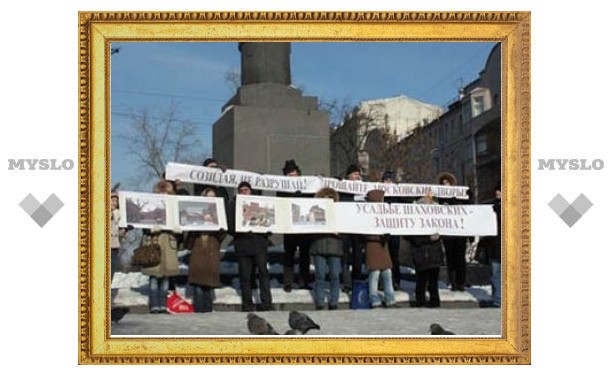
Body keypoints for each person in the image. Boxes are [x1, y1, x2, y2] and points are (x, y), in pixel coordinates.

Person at [228, 181, 274, 312]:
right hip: (243, 246)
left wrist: (265, 228)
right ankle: (247, 304)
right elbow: (229, 226)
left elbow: (270, 224)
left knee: (264, 275)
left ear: (251, 191)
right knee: (245, 277)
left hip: (259, 245)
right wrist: (240, 230)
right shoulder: (233, 206)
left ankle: (267, 303)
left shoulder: (260, 204)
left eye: (246, 189)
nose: (244, 192)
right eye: (241, 190)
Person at [141, 179, 183, 314]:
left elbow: (182, 224)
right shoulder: (149, 206)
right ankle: (154, 305)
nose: (164, 194)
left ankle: (163, 305)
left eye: (167, 192)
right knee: (153, 276)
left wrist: (179, 230)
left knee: (166, 276)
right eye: (162, 192)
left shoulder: (175, 207)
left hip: (169, 243)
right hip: (154, 242)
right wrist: (150, 229)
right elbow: (142, 223)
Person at [184, 188, 226, 313]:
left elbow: (221, 236)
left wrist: (220, 227)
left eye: (213, 196)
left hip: (211, 254)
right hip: (198, 255)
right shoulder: (197, 215)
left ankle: (208, 308)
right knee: (198, 284)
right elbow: (189, 243)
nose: (210, 199)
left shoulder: (218, 214)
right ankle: (199, 308)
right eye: (208, 196)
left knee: (209, 284)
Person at [277, 159, 312, 292]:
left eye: (293, 172)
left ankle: (304, 281)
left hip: (304, 227)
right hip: (290, 227)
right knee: (289, 255)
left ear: (298, 173)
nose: (291, 175)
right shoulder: (282, 188)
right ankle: (288, 282)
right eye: (289, 173)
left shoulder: (306, 186)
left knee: (304, 256)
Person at [405, 193, 445, 308]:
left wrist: (439, 236)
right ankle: (420, 302)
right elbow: (410, 236)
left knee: (433, 281)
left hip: (434, 253)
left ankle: (435, 302)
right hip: (420, 253)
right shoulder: (412, 216)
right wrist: (428, 238)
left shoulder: (437, 214)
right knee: (421, 281)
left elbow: (447, 227)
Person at [309, 187, 343, 310]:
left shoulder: (339, 211)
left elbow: (346, 227)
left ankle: (334, 302)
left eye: (330, 198)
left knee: (334, 275)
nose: (327, 200)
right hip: (319, 245)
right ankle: (320, 301)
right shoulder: (314, 210)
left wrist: (339, 232)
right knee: (320, 275)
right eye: (324, 198)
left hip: (335, 247)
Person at [364, 189, 398, 308]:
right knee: (375, 274)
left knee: (387, 273)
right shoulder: (365, 214)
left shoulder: (384, 214)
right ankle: (374, 299)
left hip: (383, 248)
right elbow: (364, 231)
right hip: (373, 247)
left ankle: (390, 298)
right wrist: (379, 236)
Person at [437, 172, 469, 291]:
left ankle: (461, 282)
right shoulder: (440, 197)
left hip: (460, 232)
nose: (446, 185)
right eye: (443, 183)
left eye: (447, 182)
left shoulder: (460, 195)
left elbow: (467, 204)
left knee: (460, 257)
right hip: (448, 233)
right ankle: (453, 282)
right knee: (450, 258)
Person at [339, 164, 366, 292]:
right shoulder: (342, 188)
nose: (357, 176)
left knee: (358, 256)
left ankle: (357, 280)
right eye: (355, 174)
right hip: (345, 226)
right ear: (349, 175)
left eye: (358, 174)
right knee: (345, 256)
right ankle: (347, 283)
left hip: (359, 228)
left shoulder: (364, 189)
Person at [479, 182, 502, 307]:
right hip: (494, 248)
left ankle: (499, 300)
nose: (497, 193)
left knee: (498, 275)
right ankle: (498, 300)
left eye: (500, 190)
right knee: (495, 275)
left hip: (502, 247)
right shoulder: (490, 208)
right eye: (496, 190)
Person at [381, 171, 403, 290]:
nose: (388, 183)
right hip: (382, 229)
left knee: (394, 256)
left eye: (390, 180)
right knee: (382, 257)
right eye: (386, 180)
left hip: (394, 230)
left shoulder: (397, 194)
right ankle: (383, 282)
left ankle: (396, 280)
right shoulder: (379, 193)